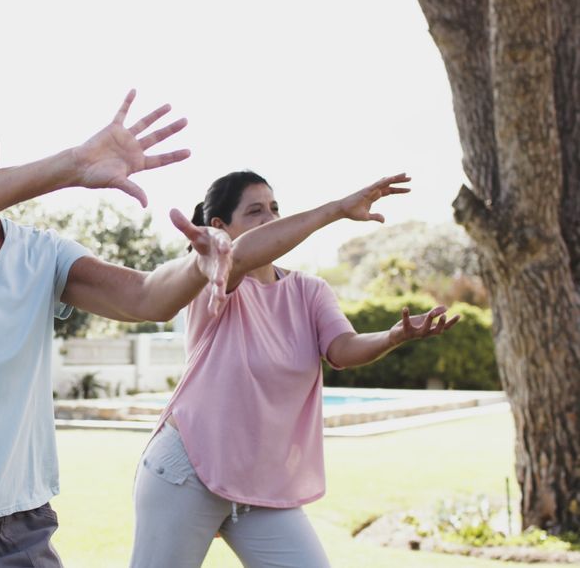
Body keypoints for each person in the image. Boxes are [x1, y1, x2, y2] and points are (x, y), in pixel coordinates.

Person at [0, 70, 398, 567]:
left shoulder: (40, 254)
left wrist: (202, 265)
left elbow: (145, 297)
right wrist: (72, 165)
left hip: (10, 533)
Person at [129, 170, 461, 568]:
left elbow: (342, 348)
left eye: (274, 208)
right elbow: (244, 254)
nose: (271, 219)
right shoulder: (211, 281)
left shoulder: (309, 291)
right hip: (186, 472)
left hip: (263, 483)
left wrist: (391, 337)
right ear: (220, 227)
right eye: (255, 211)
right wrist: (338, 209)